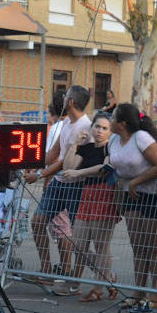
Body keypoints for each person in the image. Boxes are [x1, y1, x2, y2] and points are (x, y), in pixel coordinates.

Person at [26, 85, 91, 289]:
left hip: (76, 185)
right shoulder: (65, 123)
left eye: (66, 97)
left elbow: (65, 161)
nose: (62, 100)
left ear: (70, 102)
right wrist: (32, 162)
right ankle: (46, 269)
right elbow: (54, 152)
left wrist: (39, 174)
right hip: (59, 182)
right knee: (37, 221)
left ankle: (92, 277)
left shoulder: (85, 126)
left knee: (79, 236)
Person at [109, 103, 157, 308]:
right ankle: (138, 293)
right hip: (130, 196)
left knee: (154, 247)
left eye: (113, 117)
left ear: (122, 123)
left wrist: (136, 181)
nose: (109, 120)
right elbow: (114, 167)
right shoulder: (114, 140)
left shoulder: (141, 138)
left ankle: (156, 296)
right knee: (139, 246)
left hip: (153, 195)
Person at [59, 113, 120, 301]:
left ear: (111, 132)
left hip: (104, 195)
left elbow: (104, 168)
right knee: (79, 245)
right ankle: (108, 278)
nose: (100, 131)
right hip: (87, 195)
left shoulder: (111, 148)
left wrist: (80, 172)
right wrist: (75, 144)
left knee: (101, 245)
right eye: (97, 127)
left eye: (104, 128)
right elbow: (68, 168)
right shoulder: (86, 148)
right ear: (92, 127)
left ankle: (97, 289)